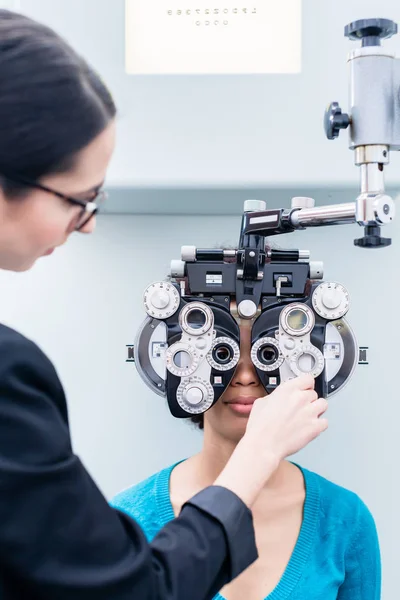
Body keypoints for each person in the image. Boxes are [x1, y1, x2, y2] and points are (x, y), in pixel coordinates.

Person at [0, 9, 330, 600]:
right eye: (79, 199)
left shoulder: (341, 522)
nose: (88, 226)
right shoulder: (9, 375)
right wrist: (254, 457)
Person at [112, 319, 381, 600]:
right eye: (221, 353)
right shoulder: (128, 519)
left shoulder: (345, 520)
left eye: (267, 353)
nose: (245, 377)